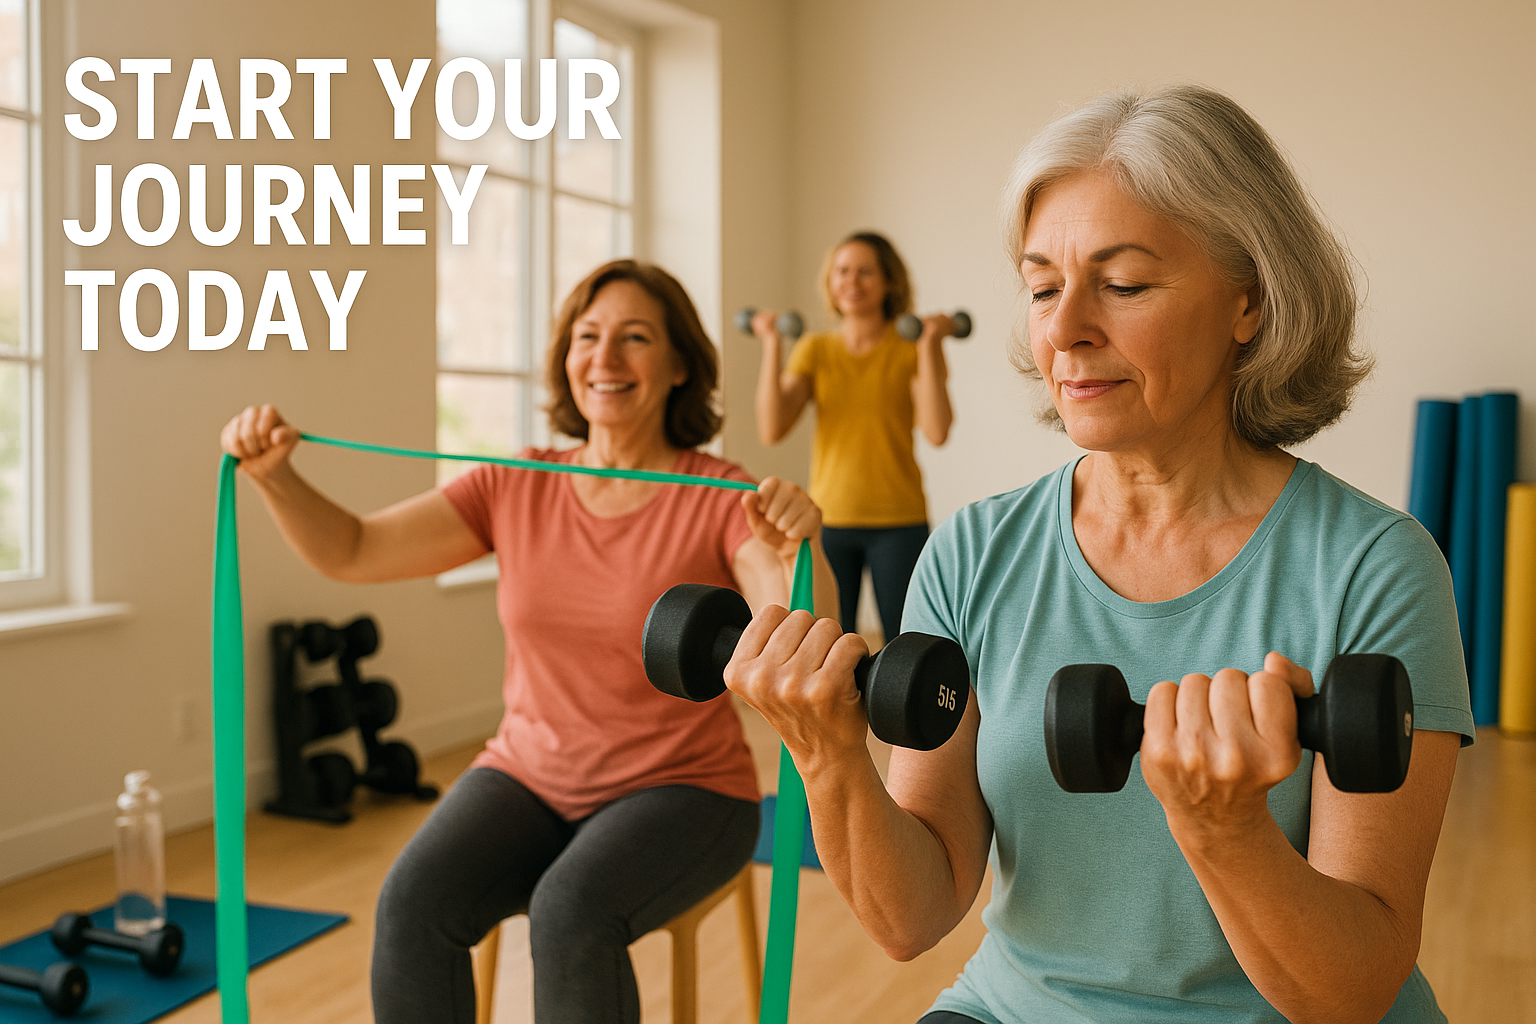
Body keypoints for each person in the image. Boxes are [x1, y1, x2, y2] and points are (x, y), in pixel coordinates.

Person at [723, 85, 1472, 1024]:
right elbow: (912, 916)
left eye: (1122, 285)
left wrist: (1224, 830)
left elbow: (1352, 993)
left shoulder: (1377, 568)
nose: (1064, 328)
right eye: (1043, 288)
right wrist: (827, 754)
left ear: (1248, 302)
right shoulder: (972, 554)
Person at [219, 259, 835, 1024]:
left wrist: (796, 550)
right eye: (588, 336)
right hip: (528, 774)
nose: (605, 358)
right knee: (412, 904)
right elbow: (354, 549)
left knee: (570, 912)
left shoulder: (721, 496)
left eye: (635, 337)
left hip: (683, 789)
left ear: (679, 365)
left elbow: (799, 630)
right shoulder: (514, 482)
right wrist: (276, 479)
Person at [752, 230, 960, 639]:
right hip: (828, 519)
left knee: (907, 645)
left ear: (888, 282)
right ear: (830, 282)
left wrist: (929, 344)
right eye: (842, 271)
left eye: (865, 271)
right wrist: (771, 344)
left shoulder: (910, 348)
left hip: (898, 520)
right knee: (827, 644)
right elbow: (772, 428)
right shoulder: (815, 350)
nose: (852, 281)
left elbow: (937, 430)